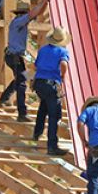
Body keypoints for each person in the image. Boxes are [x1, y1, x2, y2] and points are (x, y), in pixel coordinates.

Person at [0, 0, 47, 122]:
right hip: (14, 57)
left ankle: (4, 98)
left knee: (22, 78)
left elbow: (37, 13)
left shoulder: (19, 22)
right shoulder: (19, 21)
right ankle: (22, 113)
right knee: (21, 84)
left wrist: (44, 4)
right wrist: (43, 1)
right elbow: (33, 14)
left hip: (14, 56)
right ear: (23, 14)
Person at [32, 27, 71, 157]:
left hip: (39, 83)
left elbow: (35, 65)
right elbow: (64, 64)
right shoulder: (62, 51)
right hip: (51, 83)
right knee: (54, 116)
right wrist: (63, 77)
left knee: (43, 107)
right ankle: (52, 146)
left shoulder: (43, 49)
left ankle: (37, 133)